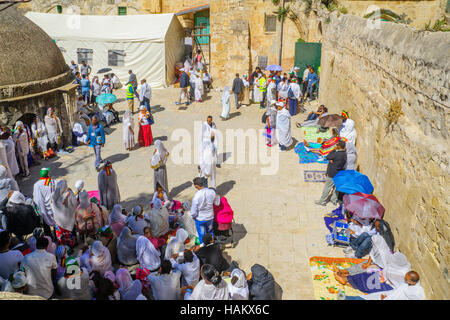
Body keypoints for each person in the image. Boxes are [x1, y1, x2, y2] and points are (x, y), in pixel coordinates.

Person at [316, 140, 347, 206]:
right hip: (339, 173)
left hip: (332, 173)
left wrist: (333, 150)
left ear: (338, 146)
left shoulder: (336, 154)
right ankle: (334, 200)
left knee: (327, 187)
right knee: (336, 188)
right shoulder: (344, 154)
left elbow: (327, 157)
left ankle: (322, 201)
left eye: (336, 145)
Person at [190, 177, 220, 244]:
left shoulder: (196, 196)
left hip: (200, 219)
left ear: (196, 186)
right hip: (210, 217)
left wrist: (194, 217)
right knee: (210, 233)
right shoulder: (212, 192)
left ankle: (204, 250)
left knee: (202, 236)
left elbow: (193, 211)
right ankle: (212, 247)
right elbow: (217, 203)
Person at [52, 180, 78, 248]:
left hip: (58, 222)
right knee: (70, 233)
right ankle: (73, 244)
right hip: (69, 220)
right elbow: (75, 204)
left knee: (61, 236)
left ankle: (62, 246)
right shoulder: (69, 194)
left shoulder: (53, 196)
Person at [33, 168, 57, 239]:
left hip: (44, 209)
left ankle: (49, 238)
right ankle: (56, 236)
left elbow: (36, 199)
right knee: (56, 223)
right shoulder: (53, 182)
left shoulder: (37, 185)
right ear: (48, 174)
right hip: (54, 208)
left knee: (46, 225)